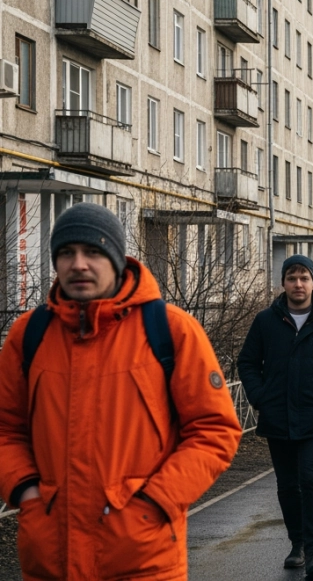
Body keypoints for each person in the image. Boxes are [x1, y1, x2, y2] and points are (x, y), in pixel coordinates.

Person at [0, 202, 243, 580]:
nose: (78, 264)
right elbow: (5, 430)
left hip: (142, 560)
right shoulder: (28, 336)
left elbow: (215, 431)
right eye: (66, 253)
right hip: (50, 558)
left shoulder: (171, 331)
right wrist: (27, 494)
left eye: (93, 251)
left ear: (116, 258)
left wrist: (155, 502)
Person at [236, 254, 313, 576]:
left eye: (304, 277)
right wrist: (260, 396)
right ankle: (297, 544)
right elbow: (248, 362)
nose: (298, 284)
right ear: (283, 283)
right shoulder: (267, 320)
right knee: (288, 484)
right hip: (277, 415)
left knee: (311, 479)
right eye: (292, 277)